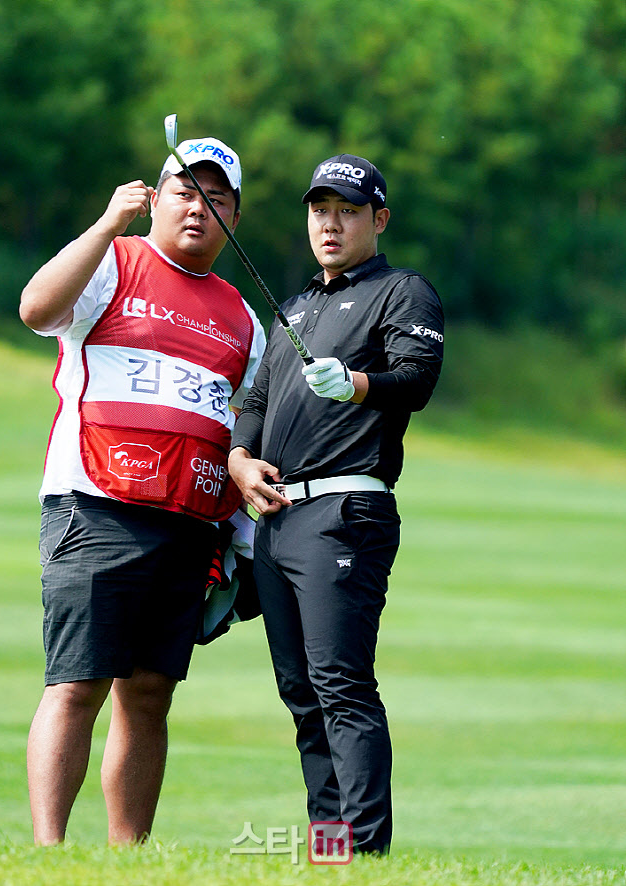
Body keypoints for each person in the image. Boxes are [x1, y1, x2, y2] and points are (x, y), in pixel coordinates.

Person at [19, 136, 265, 845]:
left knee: (150, 694)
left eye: (216, 197)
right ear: (155, 199)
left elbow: (245, 422)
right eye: (185, 191)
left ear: (234, 217)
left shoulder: (242, 317)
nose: (199, 207)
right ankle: (50, 853)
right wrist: (105, 225)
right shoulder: (115, 262)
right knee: (77, 683)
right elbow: (37, 309)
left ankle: (129, 856)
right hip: (94, 501)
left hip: (189, 522)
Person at [228, 154, 444, 855]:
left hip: (346, 512)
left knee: (340, 686)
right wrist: (238, 457)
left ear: (377, 219)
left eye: (347, 211)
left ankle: (367, 854)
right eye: (320, 209)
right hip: (279, 519)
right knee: (302, 695)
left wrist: (354, 383)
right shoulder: (294, 307)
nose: (330, 222)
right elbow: (258, 400)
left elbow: (415, 378)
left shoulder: (401, 292)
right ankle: (332, 854)